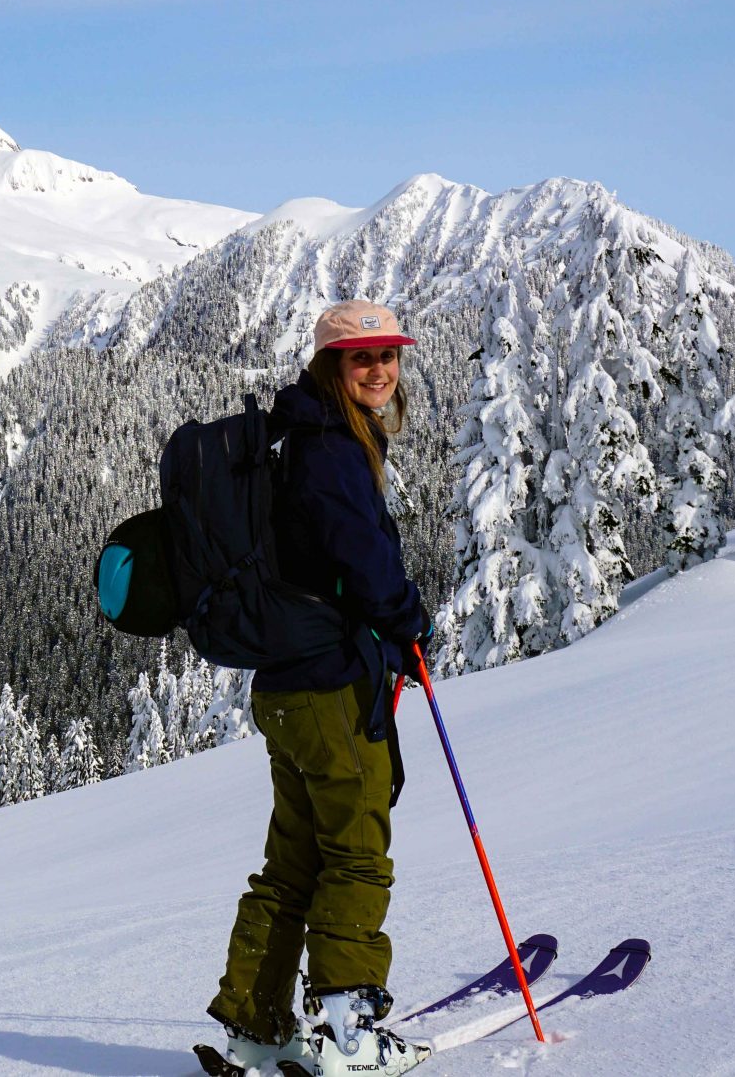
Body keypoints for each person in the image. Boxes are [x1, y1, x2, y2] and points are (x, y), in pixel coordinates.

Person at [203, 300, 434, 1077]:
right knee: (356, 852)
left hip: (288, 685)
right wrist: (407, 617)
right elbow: (364, 560)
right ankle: (349, 1029)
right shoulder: (331, 448)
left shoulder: (298, 433)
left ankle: (258, 1024)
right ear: (331, 366)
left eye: (389, 356)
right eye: (361, 357)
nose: (379, 369)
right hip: (331, 684)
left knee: (296, 859)